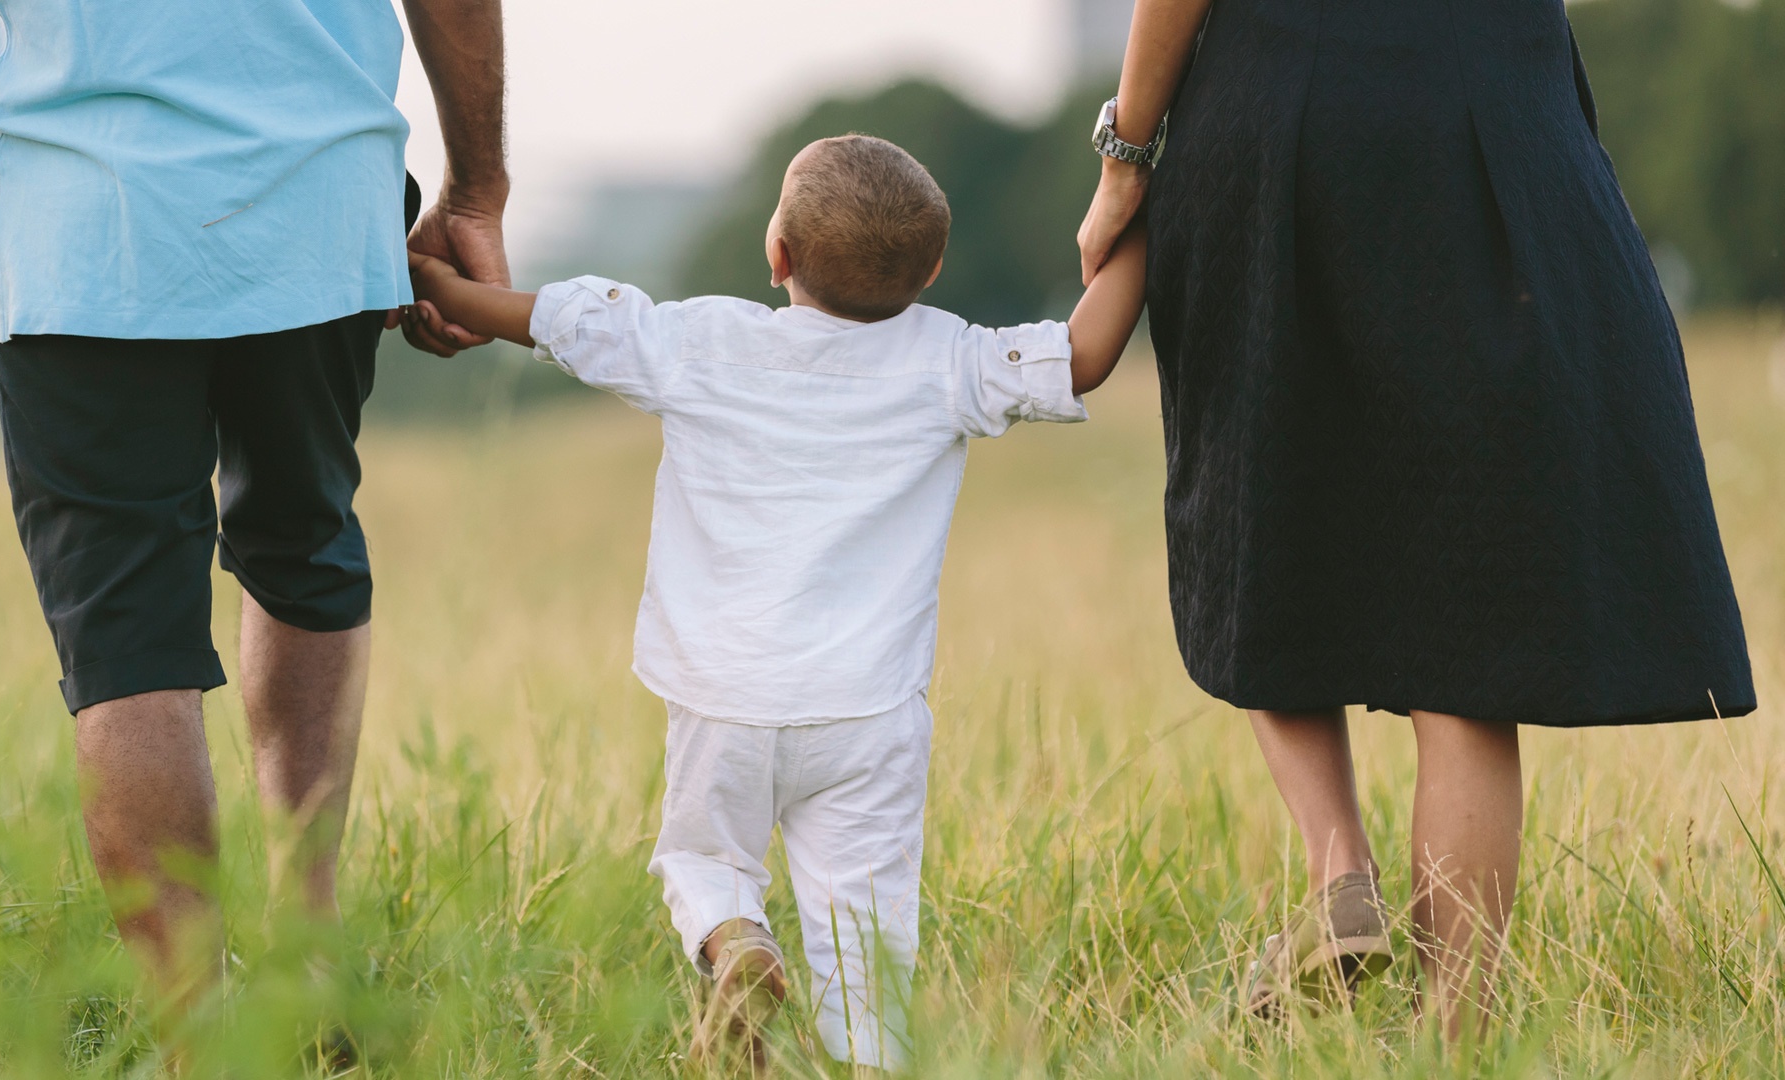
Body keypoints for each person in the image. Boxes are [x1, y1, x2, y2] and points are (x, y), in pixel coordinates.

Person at [1076, 0, 1754, 1037]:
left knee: (1265, 511)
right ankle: (1459, 1037)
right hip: (1495, 107)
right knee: (1467, 624)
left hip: (1277, 106)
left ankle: (1341, 870)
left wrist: (1126, 153)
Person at [407, 134, 1150, 1071]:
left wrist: (428, 277)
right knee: (866, 921)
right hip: (867, 710)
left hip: (723, 696)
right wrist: (1142, 218)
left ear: (778, 254)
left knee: (703, 861)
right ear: (930, 270)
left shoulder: (704, 341)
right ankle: (868, 1057)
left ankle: (736, 943)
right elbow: (1083, 355)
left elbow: (555, 321)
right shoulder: (948, 358)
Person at [0, 0, 512, 1033]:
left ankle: (197, 1040)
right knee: (302, 544)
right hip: (319, 191)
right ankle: (310, 961)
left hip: (86, 211)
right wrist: (476, 187)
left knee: (127, 635)